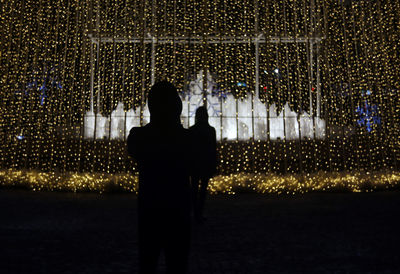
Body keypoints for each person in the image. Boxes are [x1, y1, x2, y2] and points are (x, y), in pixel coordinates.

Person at [127, 81, 192, 274]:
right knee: (177, 264)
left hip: (150, 209)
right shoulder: (187, 139)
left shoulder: (139, 136)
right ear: (177, 107)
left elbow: (135, 149)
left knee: (148, 263)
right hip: (178, 210)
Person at [189, 106, 217, 224]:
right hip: (205, 163)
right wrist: (214, 163)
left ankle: (195, 212)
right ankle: (199, 212)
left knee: (194, 189)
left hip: (195, 163)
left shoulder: (192, 130)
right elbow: (213, 148)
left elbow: (188, 149)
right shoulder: (210, 130)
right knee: (203, 190)